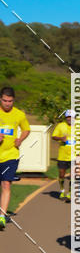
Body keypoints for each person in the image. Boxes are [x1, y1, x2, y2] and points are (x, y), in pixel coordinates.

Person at [0, 86, 30, 230]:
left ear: (13, 100)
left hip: (11, 155)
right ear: (1, 99)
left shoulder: (19, 114)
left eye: (10, 101)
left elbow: (26, 129)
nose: (7, 104)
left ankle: (1, 216)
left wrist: (20, 139)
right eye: (5, 100)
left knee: (6, 184)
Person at [52, 110, 74, 201]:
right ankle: (62, 190)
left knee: (73, 175)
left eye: (71, 117)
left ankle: (69, 193)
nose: (69, 119)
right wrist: (61, 138)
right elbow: (53, 136)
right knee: (62, 174)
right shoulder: (61, 126)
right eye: (67, 117)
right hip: (62, 156)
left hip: (75, 156)